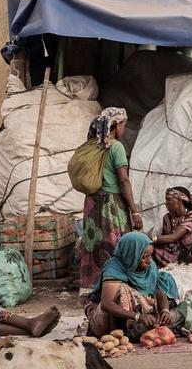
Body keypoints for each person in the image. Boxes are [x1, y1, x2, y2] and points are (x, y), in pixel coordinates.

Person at [79, 107, 145, 292]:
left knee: (94, 245)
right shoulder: (115, 147)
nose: (124, 128)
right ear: (116, 125)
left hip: (92, 204)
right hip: (110, 204)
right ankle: (114, 286)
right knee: (115, 245)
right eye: (123, 124)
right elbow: (123, 179)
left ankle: (93, 287)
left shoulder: (93, 145)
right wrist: (135, 211)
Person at [86, 231, 179, 339]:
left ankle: (133, 331)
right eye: (144, 257)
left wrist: (165, 310)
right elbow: (106, 304)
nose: (149, 261)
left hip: (134, 314)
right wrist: (138, 316)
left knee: (165, 285)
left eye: (150, 256)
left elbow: (158, 289)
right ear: (131, 255)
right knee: (121, 290)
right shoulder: (114, 268)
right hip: (103, 315)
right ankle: (117, 335)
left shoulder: (150, 267)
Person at [152, 187, 192, 271]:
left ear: (179, 201)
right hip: (174, 255)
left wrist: (151, 238)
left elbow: (173, 237)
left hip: (191, 256)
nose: (165, 203)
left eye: (168, 200)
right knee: (151, 248)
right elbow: (165, 241)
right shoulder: (166, 218)